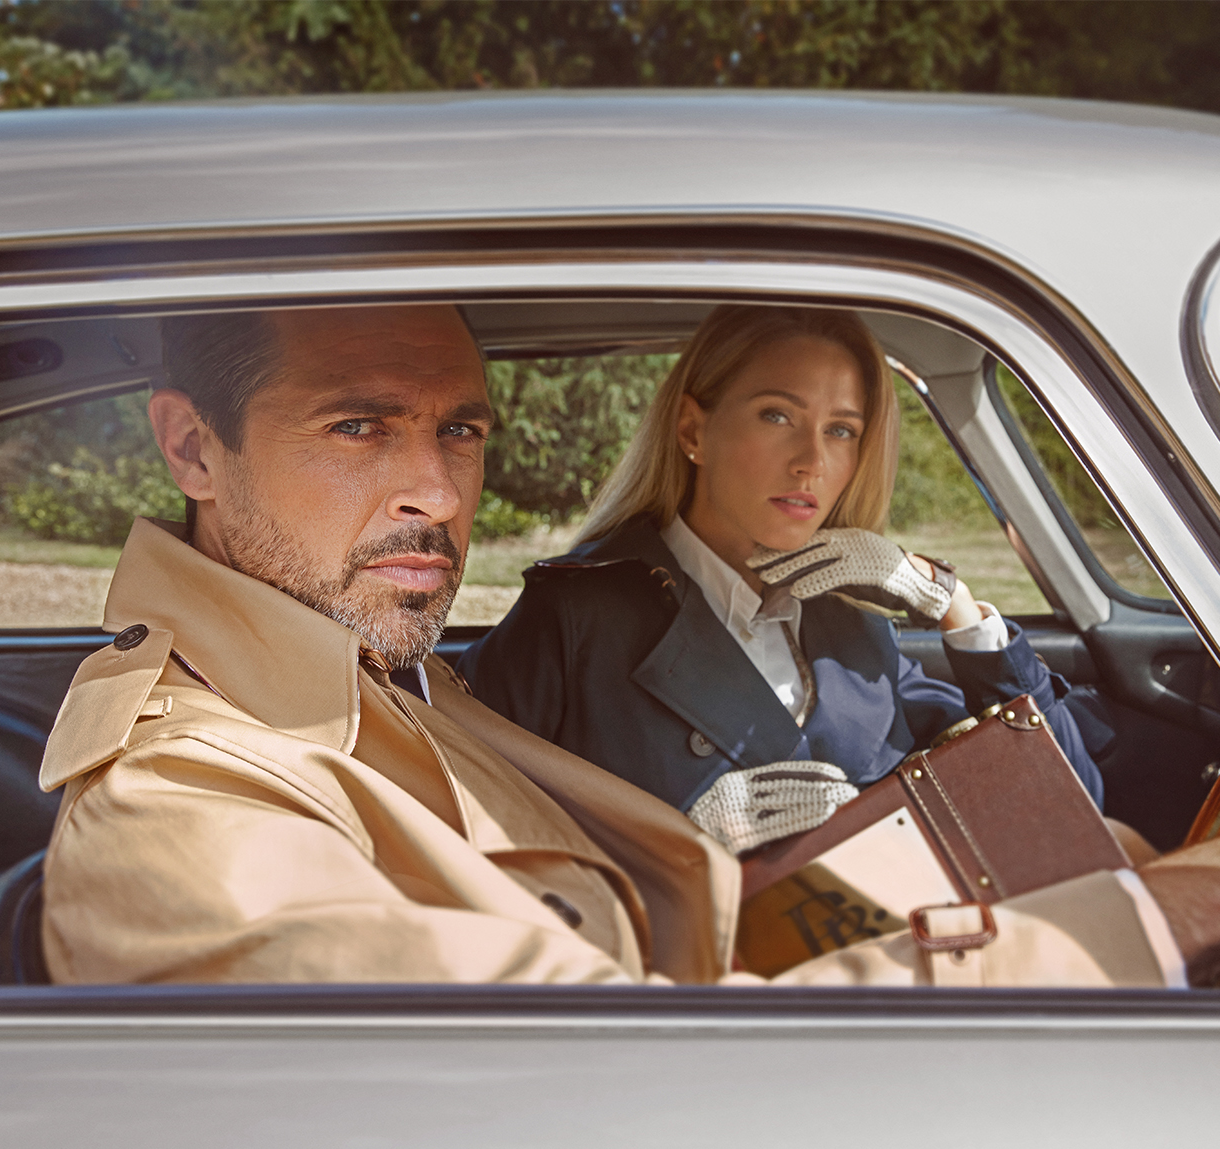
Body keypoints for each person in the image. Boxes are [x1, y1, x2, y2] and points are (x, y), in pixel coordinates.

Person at [35, 302, 1220, 989]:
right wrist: (1209, 899)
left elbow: (706, 916)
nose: (441, 497)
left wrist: (1067, 875)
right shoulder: (184, 805)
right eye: (360, 428)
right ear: (191, 446)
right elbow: (644, 1067)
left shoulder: (384, 679)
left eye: (462, 432)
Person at [458, 305, 1106, 856]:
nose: (812, 461)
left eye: (842, 430)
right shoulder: (575, 615)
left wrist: (952, 603)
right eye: (777, 416)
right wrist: (675, 845)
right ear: (693, 430)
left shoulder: (854, 627)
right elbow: (466, 838)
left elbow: (1066, 802)